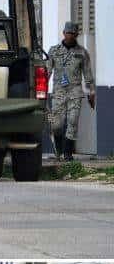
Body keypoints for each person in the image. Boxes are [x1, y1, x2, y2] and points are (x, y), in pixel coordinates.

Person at [47, 22, 95, 161]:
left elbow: (88, 74)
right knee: (57, 124)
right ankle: (58, 152)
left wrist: (92, 92)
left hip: (75, 92)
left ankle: (68, 153)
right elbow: (47, 72)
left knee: (73, 121)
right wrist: (41, 90)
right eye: (68, 33)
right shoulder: (54, 51)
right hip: (58, 92)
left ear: (76, 35)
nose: (70, 36)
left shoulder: (82, 53)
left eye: (73, 33)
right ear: (63, 33)